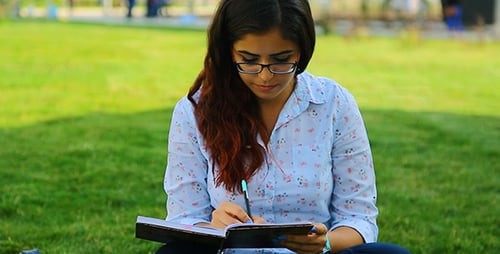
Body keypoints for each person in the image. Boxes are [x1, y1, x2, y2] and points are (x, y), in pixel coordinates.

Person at [158, 0, 411, 253]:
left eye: (281, 60)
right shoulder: (194, 111)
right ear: (229, 51)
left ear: (301, 51)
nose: (265, 76)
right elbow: (184, 218)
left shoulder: (333, 103)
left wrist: (325, 243)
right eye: (249, 60)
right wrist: (213, 227)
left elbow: (359, 217)